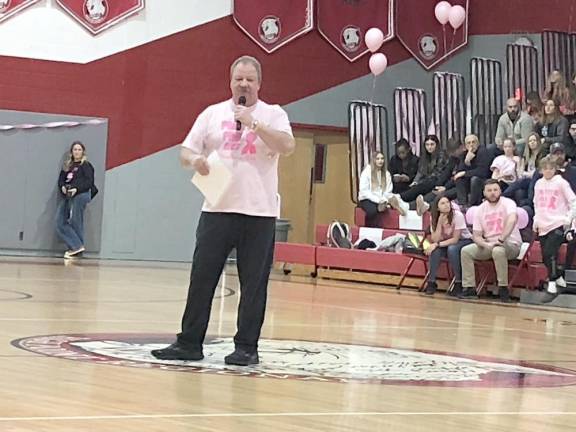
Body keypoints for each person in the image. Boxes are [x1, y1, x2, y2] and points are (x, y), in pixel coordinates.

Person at [151, 56, 295, 366]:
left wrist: (254, 123)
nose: (243, 84)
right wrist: (195, 161)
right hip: (217, 208)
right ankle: (189, 342)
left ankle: (246, 347)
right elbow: (186, 150)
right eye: (238, 79)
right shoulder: (212, 113)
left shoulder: (273, 114)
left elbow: (287, 145)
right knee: (202, 278)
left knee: (253, 285)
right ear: (230, 81)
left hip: (259, 213)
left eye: (250, 80)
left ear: (259, 83)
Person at [460, 179, 522, 302]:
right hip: (489, 244)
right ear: (484, 192)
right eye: (489, 190)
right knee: (466, 251)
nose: (493, 193)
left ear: (500, 191)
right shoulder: (480, 209)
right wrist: (485, 244)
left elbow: (512, 220)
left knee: (498, 251)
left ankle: (503, 288)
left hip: (510, 243)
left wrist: (501, 238)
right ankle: (469, 288)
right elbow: (476, 235)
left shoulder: (508, 203)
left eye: (495, 190)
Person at [533, 155, 576, 300]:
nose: (548, 171)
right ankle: (559, 279)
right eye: (545, 169)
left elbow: (573, 201)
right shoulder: (538, 183)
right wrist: (535, 220)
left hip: (558, 222)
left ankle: (552, 285)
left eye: (551, 168)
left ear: (555, 169)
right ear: (541, 170)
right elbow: (536, 203)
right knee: (545, 256)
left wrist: (568, 218)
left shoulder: (561, 183)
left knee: (550, 253)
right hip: (543, 223)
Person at [423, 195, 472, 296]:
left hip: (464, 240)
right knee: (435, 251)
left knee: (452, 249)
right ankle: (431, 282)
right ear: (437, 207)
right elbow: (435, 238)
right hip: (446, 242)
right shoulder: (434, 217)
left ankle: (458, 282)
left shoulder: (457, 215)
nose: (446, 205)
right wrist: (440, 223)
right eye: (443, 203)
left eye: (447, 202)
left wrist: (437, 244)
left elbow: (455, 239)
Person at [56, 141, 97, 259]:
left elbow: (89, 182)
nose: (77, 152)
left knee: (75, 220)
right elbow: (61, 180)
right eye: (75, 149)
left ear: (83, 151)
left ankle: (76, 248)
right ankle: (77, 245)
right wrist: (63, 187)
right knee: (59, 222)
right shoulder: (67, 165)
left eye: (79, 149)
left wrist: (76, 189)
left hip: (81, 194)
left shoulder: (86, 165)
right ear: (71, 152)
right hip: (68, 195)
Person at [399, 134, 447, 204]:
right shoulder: (424, 156)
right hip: (426, 181)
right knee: (412, 187)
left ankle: (399, 197)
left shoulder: (441, 155)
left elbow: (437, 173)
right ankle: (400, 200)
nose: (429, 147)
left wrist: (421, 182)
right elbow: (420, 172)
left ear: (436, 145)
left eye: (432, 144)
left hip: (436, 181)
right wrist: (415, 182)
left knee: (419, 188)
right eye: (427, 145)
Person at [503, 132, 544, 204]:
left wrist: (526, 174)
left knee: (521, 182)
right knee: (519, 191)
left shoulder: (542, 155)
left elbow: (538, 172)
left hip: (537, 180)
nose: (532, 142)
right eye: (530, 141)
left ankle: (502, 196)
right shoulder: (525, 157)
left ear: (538, 142)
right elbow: (520, 173)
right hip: (526, 180)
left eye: (534, 140)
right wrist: (524, 172)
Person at [453, 134, 492, 209]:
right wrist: (466, 161)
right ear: (465, 146)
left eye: (473, 142)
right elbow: (459, 172)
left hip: (484, 179)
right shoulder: (464, 154)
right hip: (470, 179)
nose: (471, 145)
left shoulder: (483, 151)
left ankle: (472, 205)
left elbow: (482, 172)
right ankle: (463, 204)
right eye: (469, 143)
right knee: (459, 179)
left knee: (474, 179)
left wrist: (465, 173)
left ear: (478, 143)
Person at [358, 152, 394, 227]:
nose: (380, 161)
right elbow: (364, 191)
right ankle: (369, 229)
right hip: (367, 199)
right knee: (372, 211)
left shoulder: (387, 173)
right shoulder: (366, 172)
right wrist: (378, 201)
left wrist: (384, 200)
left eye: (382, 158)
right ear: (374, 160)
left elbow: (388, 190)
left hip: (382, 199)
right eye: (377, 159)